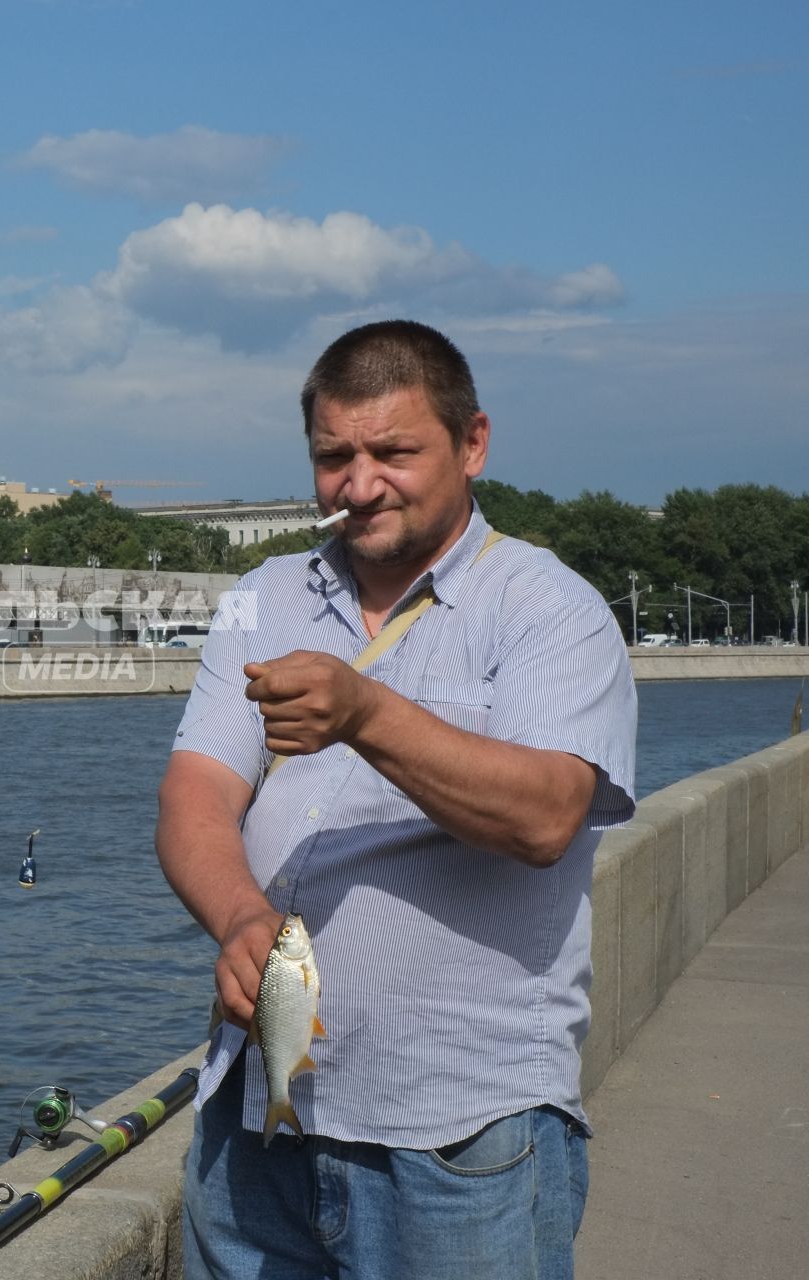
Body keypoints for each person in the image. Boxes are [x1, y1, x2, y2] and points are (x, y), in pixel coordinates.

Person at [156, 320, 636, 1280]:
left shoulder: (549, 607)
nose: (359, 483)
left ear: (473, 444)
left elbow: (545, 816)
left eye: (393, 452)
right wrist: (241, 914)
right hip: (257, 1114)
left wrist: (365, 711)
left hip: (457, 1139)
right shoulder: (262, 596)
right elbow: (195, 793)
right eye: (334, 457)